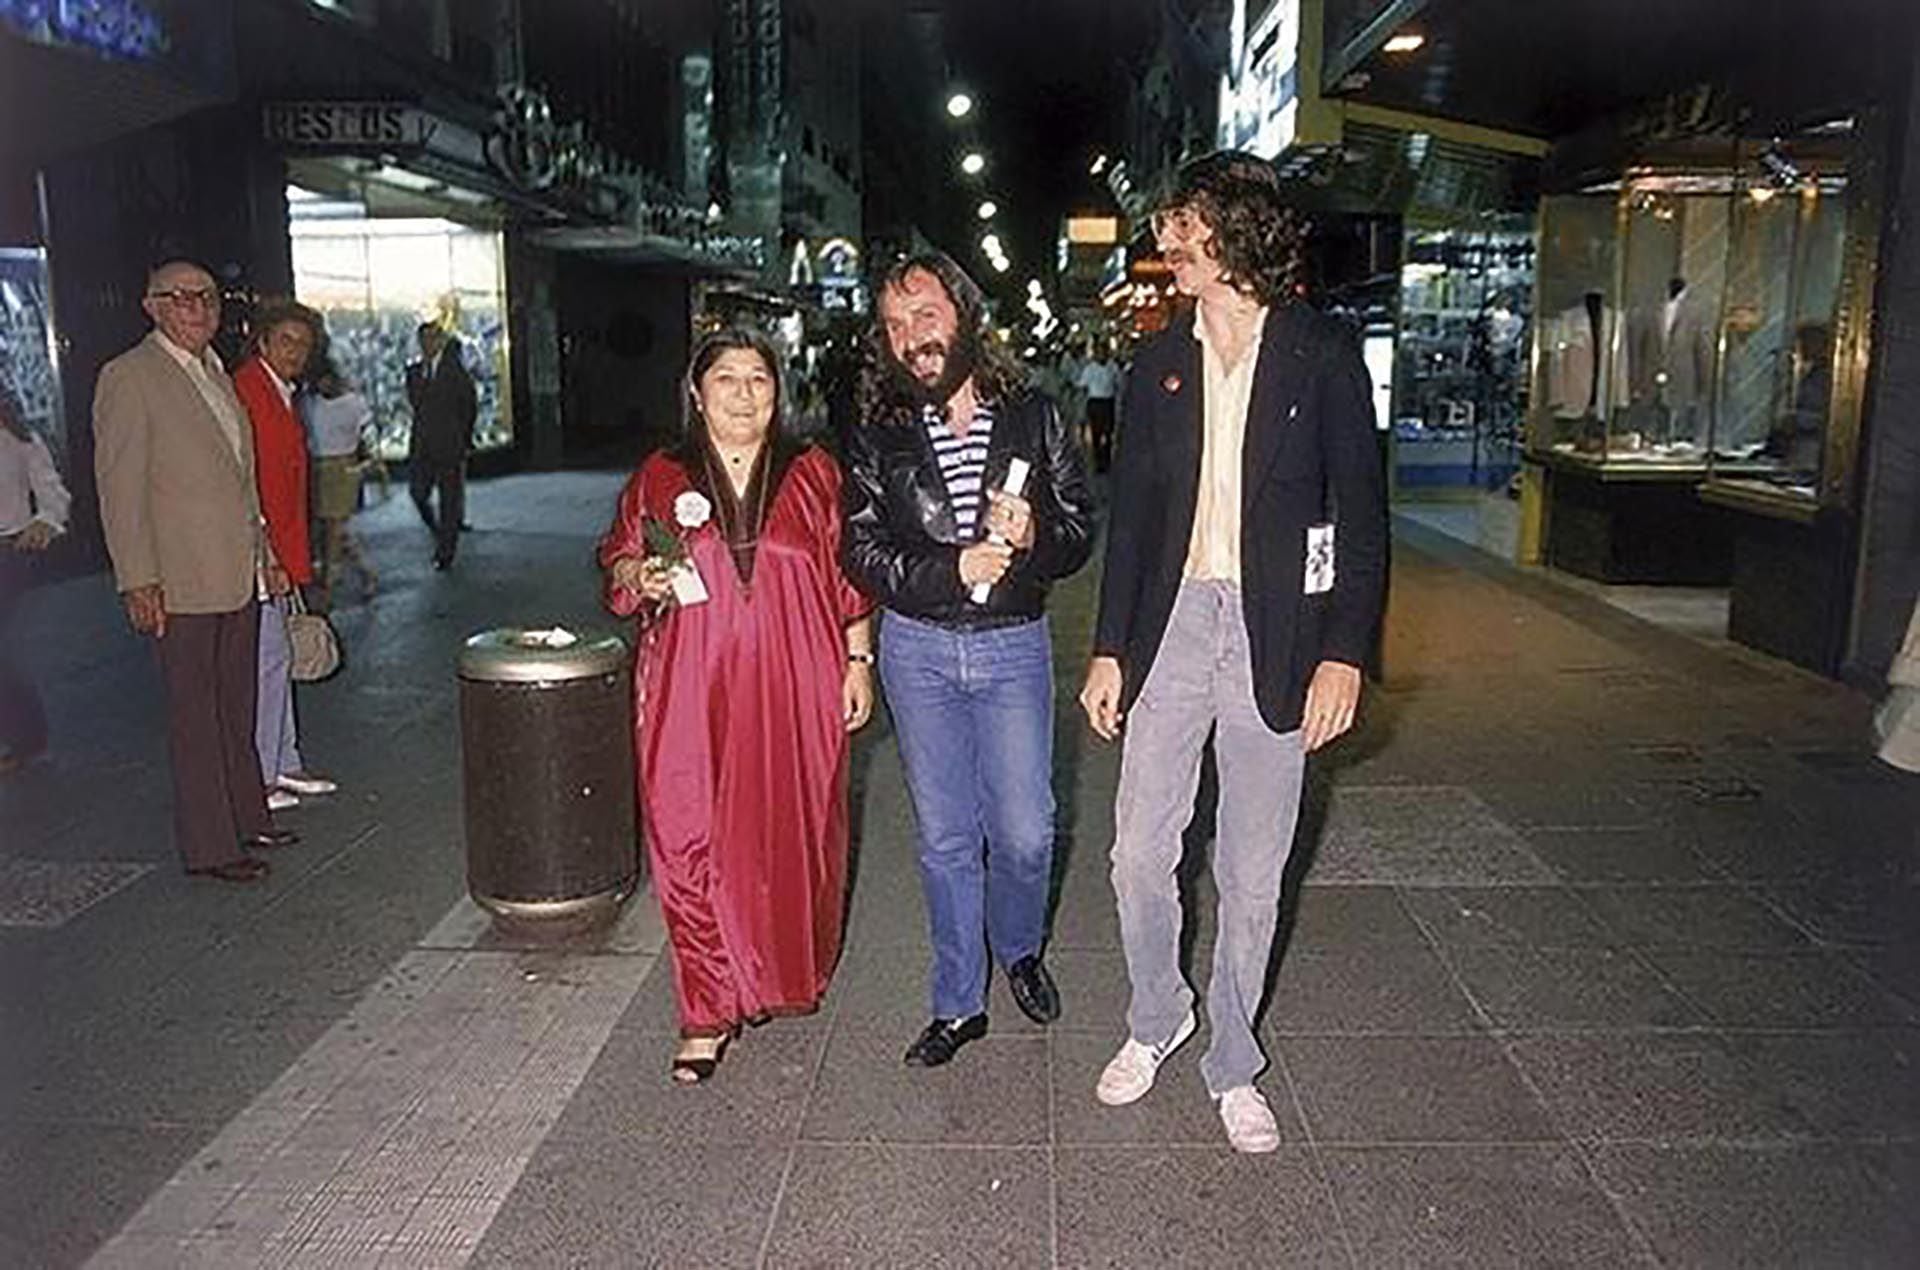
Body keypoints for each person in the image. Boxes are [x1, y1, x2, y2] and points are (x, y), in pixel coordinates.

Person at [1078, 151, 1388, 1152]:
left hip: (1278, 627)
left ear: (1236, 231)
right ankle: (1158, 1014)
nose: (1167, 242)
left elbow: (1361, 515)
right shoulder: (1156, 363)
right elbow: (1133, 521)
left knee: (1253, 872)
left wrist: (1344, 652)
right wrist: (1110, 648)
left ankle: (1233, 1060)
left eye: (1184, 224)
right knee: (1138, 854)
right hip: (1171, 622)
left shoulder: (1320, 352)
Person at [599, 325, 875, 1083]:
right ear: (697, 392)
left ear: (778, 392)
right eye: (727, 378)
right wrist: (637, 576)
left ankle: (773, 971)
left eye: (759, 378)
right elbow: (619, 557)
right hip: (691, 678)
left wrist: (858, 660)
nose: (745, 394)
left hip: (798, 677)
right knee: (686, 828)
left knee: (789, 830)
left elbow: (847, 575)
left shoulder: (813, 471)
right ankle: (705, 1007)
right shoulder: (662, 473)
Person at [844, 251, 1094, 1067]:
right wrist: (950, 570)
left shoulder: (1034, 415)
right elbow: (861, 550)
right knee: (947, 838)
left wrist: (1034, 535)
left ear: (964, 314)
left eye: (925, 315)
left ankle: (1018, 947)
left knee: (1026, 831)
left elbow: (1078, 532)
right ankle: (958, 1001)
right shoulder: (878, 430)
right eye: (894, 325)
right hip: (917, 649)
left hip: (1014, 644)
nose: (911, 337)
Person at [93, 259, 299, 883]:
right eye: (181, 297)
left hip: (235, 571)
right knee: (195, 716)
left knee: (236, 704)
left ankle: (248, 814)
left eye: (207, 297)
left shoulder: (214, 371)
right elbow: (120, 489)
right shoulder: (130, 377)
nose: (198, 308)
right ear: (152, 306)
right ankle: (211, 846)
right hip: (180, 578)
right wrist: (137, 578)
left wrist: (266, 553)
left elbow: (241, 481)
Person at [233, 300, 338, 813]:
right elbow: (248, 482)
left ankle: (284, 761)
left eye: (304, 345)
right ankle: (262, 770)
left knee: (278, 658)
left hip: (281, 548)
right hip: (261, 552)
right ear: (263, 342)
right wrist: (268, 555)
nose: (295, 352)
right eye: (286, 341)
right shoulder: (249, 391)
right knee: (268, 660)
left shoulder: (279, 391)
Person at [0, 384, 70, 776]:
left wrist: (45, 521)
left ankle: (27, 739)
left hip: (8, 553)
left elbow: (52, 491)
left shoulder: (18, 436)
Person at [302, 359, 378, 606]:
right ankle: (365, 572)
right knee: (332, 531)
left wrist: (369, 461)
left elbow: (368, 434)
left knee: (335, 530)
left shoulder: (352, 403)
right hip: (318, 469)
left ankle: (328, 586)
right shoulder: (309, 402)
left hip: (343, 469)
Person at [405, 322, 476, 570]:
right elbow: (416, 405)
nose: (427, 344)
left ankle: (446, 551)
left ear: (440, 342)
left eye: (432, 339)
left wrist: (463, 438)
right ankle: (439, 530)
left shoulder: (455, 372)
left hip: (449, 444)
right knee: (417, 493)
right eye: (423, 339)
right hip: (422, 445)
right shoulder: (414, 372)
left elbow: (469, 405)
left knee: (449, 500)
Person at [1075, 343, 1122, 474]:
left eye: (1104, 352)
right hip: (1095, 403)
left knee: (1108, 433)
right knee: (1096, 433)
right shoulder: (1090, 369)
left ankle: (1106, 460)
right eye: (1099, 352)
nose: (1102, 355)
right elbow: (1082, 385)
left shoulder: (1113, 367)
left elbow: (1119, 383)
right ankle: (1098, 462)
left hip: (1108, 402)